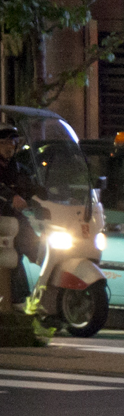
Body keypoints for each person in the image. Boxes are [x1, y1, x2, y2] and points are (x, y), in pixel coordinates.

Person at [0, 124, 47, 296]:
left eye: (13, 143)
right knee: (14, 249)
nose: (9, 147)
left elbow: (30, 185)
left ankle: (21, 297)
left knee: (29, 246)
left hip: (13, 220)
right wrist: (10, 197)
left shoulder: (17, 168)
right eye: (4, 143)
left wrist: (45, 192)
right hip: (4, 220)